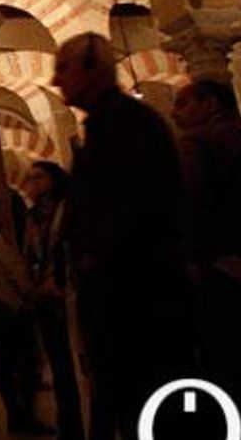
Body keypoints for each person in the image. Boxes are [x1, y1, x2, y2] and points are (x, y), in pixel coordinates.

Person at [52, 32, 195, 440]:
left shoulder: (124, 123)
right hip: (132, 295)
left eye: (64, 67)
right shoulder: (110, 123)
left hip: (139, 298)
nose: (56, 80)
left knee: (151, 402)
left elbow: (140, 204)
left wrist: (94, 255)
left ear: (95, 68)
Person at [173, 79, 241, 422]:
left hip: (222, 267)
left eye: (183, 103)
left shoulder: (195, 142)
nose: (174, 112)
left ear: (210, 104)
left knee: (230, 362)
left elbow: (186, 202)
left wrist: (190, 257)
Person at [0, 198, 49, 436]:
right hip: (12, 308)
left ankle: (14, 414)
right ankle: (23, 415)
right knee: (23, 363)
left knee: (5, 364)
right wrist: (33, 292)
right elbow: (17, 275)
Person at [21, 161, 84, 440]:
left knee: (79, 364)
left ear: (55, 180)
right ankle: (70, 424)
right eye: (30, 178)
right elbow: (29, 256)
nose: (32, 183)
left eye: (39, 177)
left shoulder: (68, 209)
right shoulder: (32, 217)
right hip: (45, 300)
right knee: (60, 366)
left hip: (68, 295)